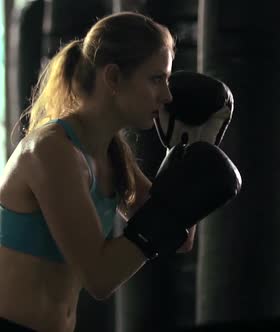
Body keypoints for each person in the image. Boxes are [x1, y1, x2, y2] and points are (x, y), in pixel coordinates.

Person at [0, 12, 241, 332]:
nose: (168, 96)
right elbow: (99, 277)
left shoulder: (110, 152)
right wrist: (170, 205)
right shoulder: (52, 152)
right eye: (156, 79)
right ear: (113, 78)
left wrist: (190, 149)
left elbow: (177, 237)